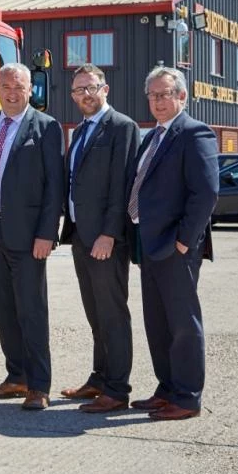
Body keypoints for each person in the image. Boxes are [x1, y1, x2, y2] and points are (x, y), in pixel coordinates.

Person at [0, 62, 62, 410]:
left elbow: (55, 186)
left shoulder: (46, 128)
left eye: (19, 87)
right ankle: (16, 376)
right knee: (4, 309)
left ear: (30, 90)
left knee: (31, 311)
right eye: (6, 86)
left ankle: (39, 386)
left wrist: (46, 234)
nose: (11, 92)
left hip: (28, 236)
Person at [127, 66, 218, 421]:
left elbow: (206, 193)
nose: (157, 101)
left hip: (175, 248)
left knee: (183, 324)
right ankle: (167, 388)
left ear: (182, 96)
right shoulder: (152, 137)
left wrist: (183, 242)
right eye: (152, 95)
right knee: (158, 323)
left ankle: (187, 397)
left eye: (164, 94)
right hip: (149, 246)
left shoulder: (195, 134)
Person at [58, 64, 140, 413]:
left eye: (91, 87)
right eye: (78, 90)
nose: (85, 95)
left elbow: (123, 186)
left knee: (112, 314)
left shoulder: (122, 127)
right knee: (95, 314)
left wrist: (109, 233)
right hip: (81, 236)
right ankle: (99, 377)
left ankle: (117, 389)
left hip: (106, 239)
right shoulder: (79, 132)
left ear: (105, 89)